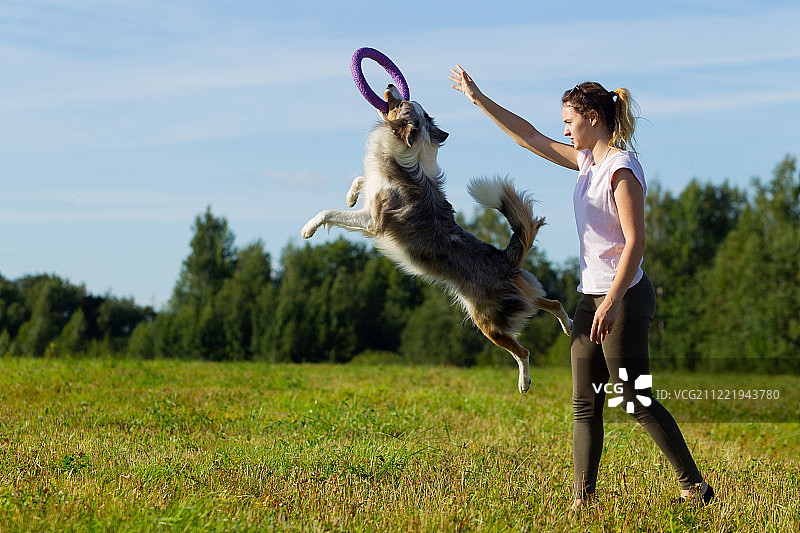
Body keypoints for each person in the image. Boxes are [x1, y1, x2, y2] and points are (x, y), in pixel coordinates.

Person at [449, 65, 714, 511]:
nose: (565, 130)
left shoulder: (621, 169)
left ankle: (694, 485)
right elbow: (528, 137)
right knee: (584, 402)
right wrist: (478, 98)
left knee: (633, 397)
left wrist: (611, 302)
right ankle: (582, 501)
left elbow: (636, 241)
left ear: (592, 118)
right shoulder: (587, 161)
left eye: (569, 122)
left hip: (624, 297)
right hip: (591, 296)